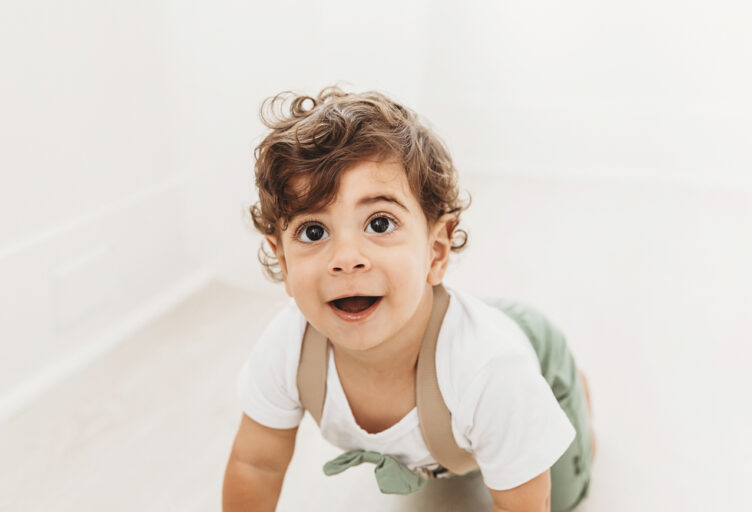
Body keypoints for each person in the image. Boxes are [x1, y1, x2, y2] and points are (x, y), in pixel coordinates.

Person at [222, 86, 595, 512]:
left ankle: (575, 394)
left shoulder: (490, 370)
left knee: (563, 499)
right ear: (284, 264)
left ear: (436, 251)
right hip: (452, 374)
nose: (346, 260)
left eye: (379, 223)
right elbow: (256, 464)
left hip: (530, 358)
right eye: (313, 231)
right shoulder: (289, 347)